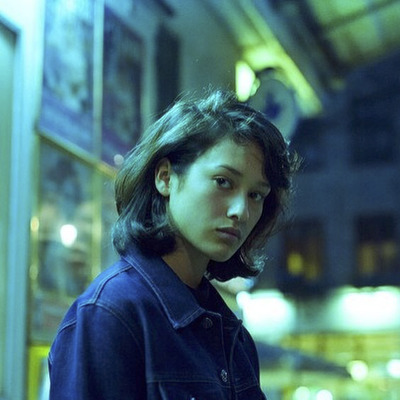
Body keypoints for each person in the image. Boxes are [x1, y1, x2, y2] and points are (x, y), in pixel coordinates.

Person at [48, 89, 298, 399]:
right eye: (223, 181)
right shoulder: (111, 313)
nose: (241, 211)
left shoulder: (232, 335)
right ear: (165, 177)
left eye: (255, 195)